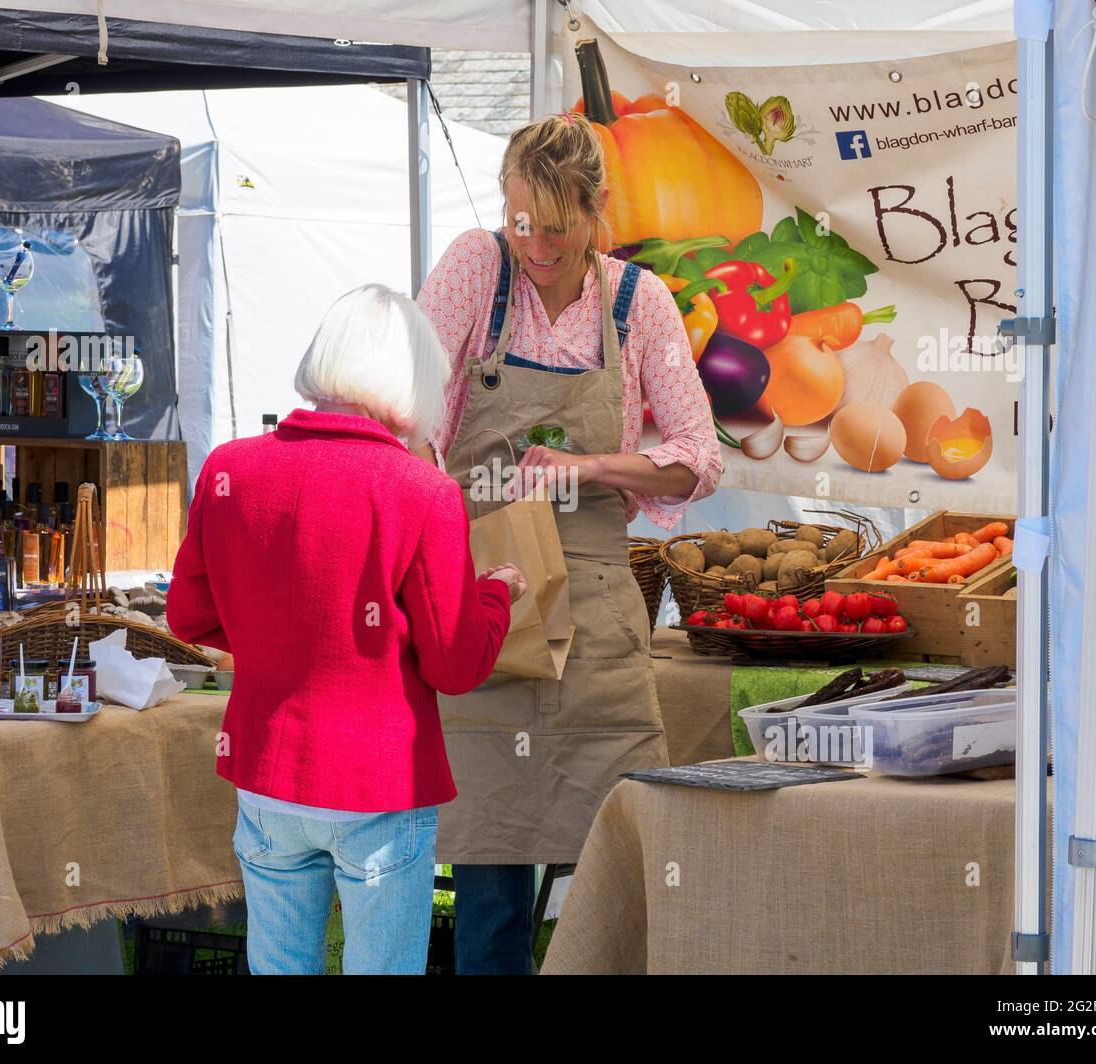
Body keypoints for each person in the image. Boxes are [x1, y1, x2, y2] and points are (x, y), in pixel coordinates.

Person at [415, 112, 722, 974]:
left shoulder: (639, 300)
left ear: (595, 214)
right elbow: (408, 417)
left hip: (594, 615)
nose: (536, 246)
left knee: (618, 864)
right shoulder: (479, 267)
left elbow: (700, 460)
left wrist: (584, 467)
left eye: (556, 227)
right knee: (490, 879)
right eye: (521, 222)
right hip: (486, 606)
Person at [167, 284, 525, 975]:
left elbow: (188, 616)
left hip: (267, 772)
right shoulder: (423, 491)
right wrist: (496, 595)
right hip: (377, 784)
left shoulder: (228, 469)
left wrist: (279, 629)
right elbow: (456, 663)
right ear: (416, 383)